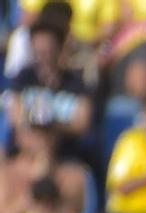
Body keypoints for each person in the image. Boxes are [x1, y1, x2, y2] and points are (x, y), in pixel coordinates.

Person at [6, 18, 91, 156]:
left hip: (64, 153)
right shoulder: (23, 78)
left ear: (59, 48)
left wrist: (52, 126)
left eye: (48, 50)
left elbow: (81, 123)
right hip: (26, 151)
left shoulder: (76, 82)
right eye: (39, 51)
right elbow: (16, 118)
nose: (43, 57)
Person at [0, 120, 91, 213]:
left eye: (47, 132)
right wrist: (34, 187)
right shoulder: (6, 173)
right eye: (34, 131)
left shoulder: (72, 175)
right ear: (19, 135)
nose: (42, 139)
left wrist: (47, 181)